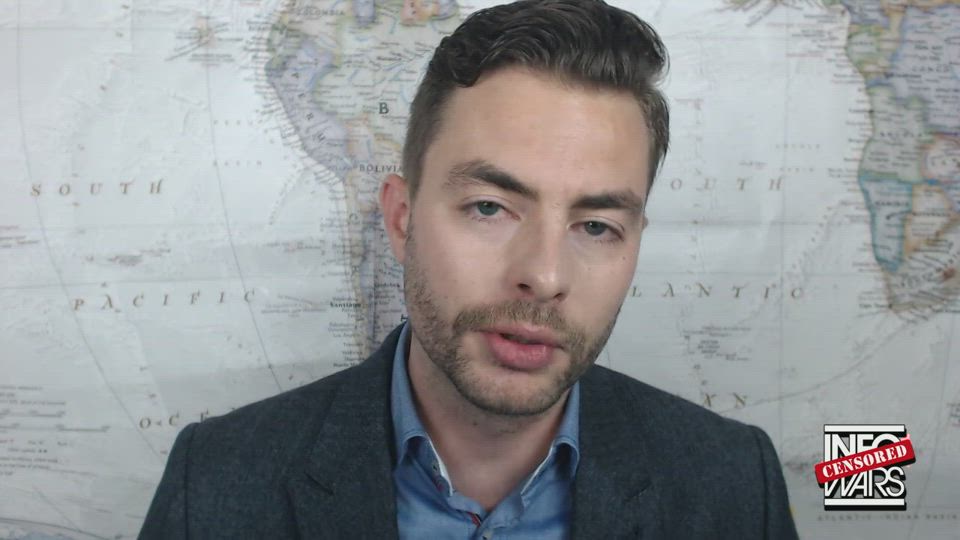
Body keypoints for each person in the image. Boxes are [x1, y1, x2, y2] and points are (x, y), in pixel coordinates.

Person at [140, 0, 800, 538]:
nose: (544, 276)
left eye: (597, 226)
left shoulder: (736, 483)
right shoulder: (215, 483)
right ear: (402, 219)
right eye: (490, 208)